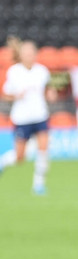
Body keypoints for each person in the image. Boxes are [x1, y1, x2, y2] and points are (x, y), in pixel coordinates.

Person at [0, 38, 55, 194]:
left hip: (40, 115)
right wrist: (17, 95)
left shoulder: (42, 71)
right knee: (20, 157)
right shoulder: (14, 72)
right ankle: (2, 162)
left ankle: (39, 184)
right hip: (22, 118)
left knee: (43, 149)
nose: (29, 56)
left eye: (32, 53)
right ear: (21, 55)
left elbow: (47, 91)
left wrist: (50, 94)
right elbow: (6, 95)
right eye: (26, 53)